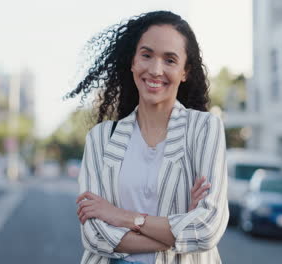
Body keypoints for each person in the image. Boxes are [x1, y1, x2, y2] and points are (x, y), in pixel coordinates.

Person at [68, 10, 229, 264]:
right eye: (146, 55)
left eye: (170, 60)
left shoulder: (205, 128)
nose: (155, 70)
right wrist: (178, 226)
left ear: (185, 71)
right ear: (132, 61)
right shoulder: (100, 138)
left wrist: (122, 217)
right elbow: (94, 235)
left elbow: (207, 228)